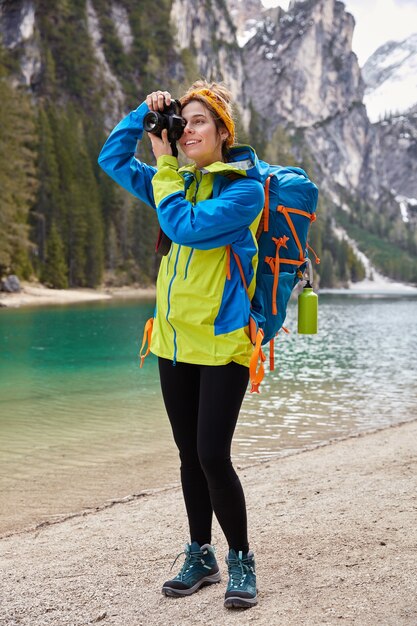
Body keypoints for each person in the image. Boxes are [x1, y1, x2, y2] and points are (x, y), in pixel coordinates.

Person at [98, 80, 267, 609]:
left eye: (198, 122)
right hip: (172, 341)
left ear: (222, 133)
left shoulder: (245, 191)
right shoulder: (172, 178)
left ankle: (240, 557)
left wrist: (166, 165)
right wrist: (143, 114)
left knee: (213, 454)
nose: (187, 130)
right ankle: (201, 553)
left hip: (222, 343)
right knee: (187, 455)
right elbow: (111, 157)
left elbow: (185, 227)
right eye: (182, 121)